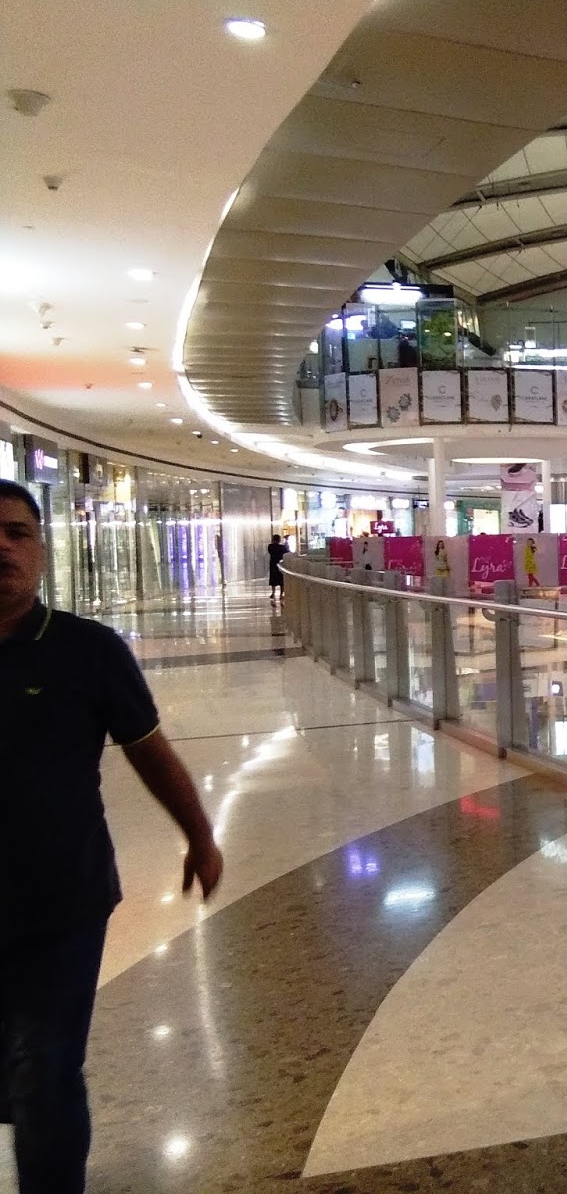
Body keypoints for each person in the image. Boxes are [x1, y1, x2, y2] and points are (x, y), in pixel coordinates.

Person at [0, 479, 224, 1193]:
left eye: (17, 533)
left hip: (62, 898)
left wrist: (200, 834)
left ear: (41, 549)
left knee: (45, 1068)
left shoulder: (87, 649)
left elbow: (148, 749)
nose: (3, 548)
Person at [267, 533, 289, 603]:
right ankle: (281, 593)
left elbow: (270, 551)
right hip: (280, 564)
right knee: (281, 579)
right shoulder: (282, 547)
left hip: (273, 564)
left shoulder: (270, 546)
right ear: (279, 540)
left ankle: (273, 592)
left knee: (273, 579)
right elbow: (287, 551)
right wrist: (286, 542)